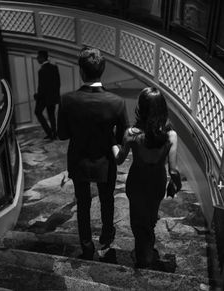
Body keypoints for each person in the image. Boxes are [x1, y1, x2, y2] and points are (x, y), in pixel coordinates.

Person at [57, 47, 129, 260]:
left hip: (78, 158)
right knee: (107, 200)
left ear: (81, 71)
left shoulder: (67, 100)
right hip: (105, 159)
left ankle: (86, 244)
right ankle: (106, 236)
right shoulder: (116, 102)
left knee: (83, 203)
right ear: (103, 70)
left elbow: (62, 134)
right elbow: (123, 135)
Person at [112, 87, 181, 269]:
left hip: (137, 181)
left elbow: (119, 160)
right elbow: (173, 171)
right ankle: (148, 249)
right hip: (157, 181)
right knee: (151, 217)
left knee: (137, 220)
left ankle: (144, 256)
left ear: (140, 108)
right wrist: (175, 184)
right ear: (162, 108)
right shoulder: (171, 135)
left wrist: (113, 145)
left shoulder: (131, 133)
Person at [34, 50, 60, 140]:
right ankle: (54, 133)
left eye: (38, 57)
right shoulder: (54, 67)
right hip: (53, 97)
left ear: (42, 57)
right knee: (51, 115)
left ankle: (49, 133)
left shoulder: (41, 71)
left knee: (37, 112)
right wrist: (56, 95)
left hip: (44, 98)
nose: (37, 58)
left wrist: (37, 96)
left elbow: (42, 87)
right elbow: (58, 83)